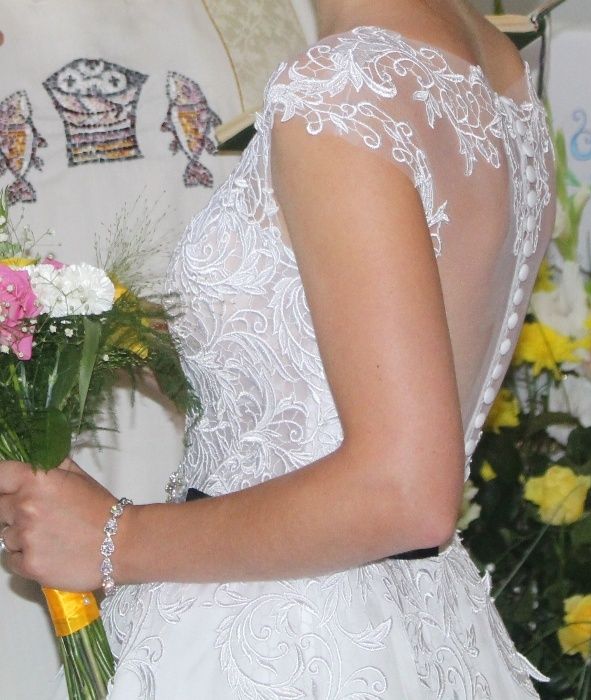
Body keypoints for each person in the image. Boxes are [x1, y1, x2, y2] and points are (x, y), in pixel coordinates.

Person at [0, 0, 555, 696]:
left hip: (281, 639)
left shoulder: (341, 87)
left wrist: (114, 538)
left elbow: (404, 491)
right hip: (413, 623)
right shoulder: (492, 64)